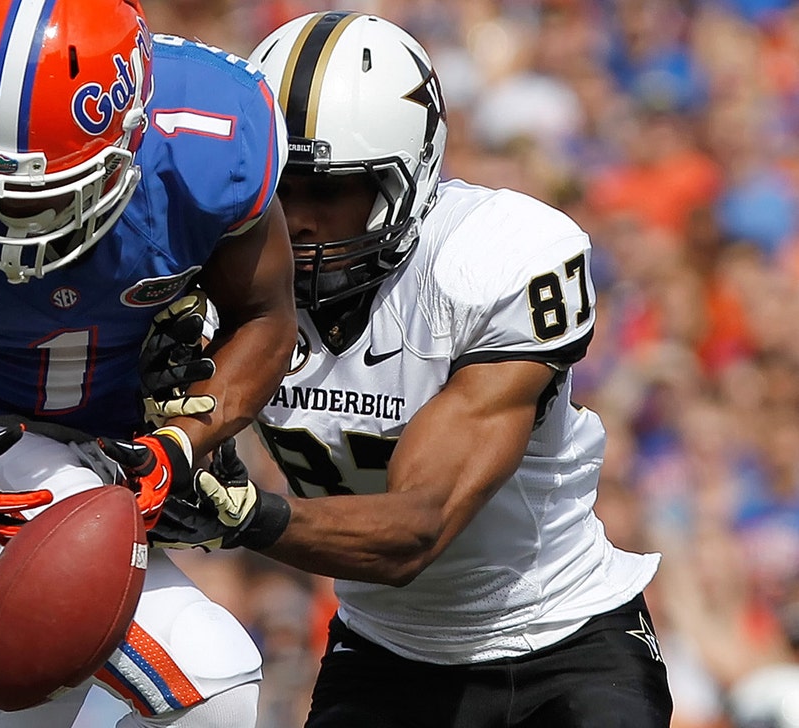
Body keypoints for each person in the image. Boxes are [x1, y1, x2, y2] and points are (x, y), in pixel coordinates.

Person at [142, 12, 674, 728]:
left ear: (409, 179)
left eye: (328, 191)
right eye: (282, 189)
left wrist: (243, 514)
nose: (296, 220)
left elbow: (417, 530)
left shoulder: (491, 264)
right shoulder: (210, 281)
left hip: (560, 638)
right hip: (386, 650)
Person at [0, 1, 297, 726]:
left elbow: (266, 318)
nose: (13, 222)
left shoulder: (211, 146)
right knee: (209, 679)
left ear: (136, 129)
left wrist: (181, 441)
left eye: (50, 193)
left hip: (114, 455)